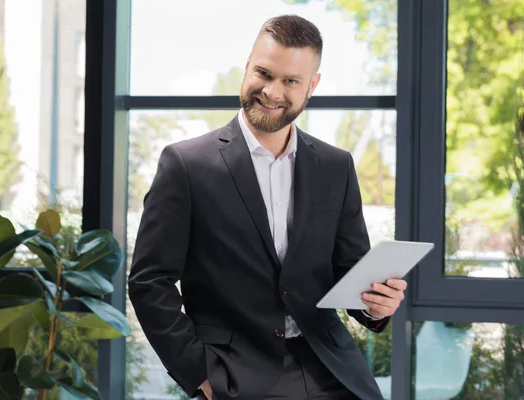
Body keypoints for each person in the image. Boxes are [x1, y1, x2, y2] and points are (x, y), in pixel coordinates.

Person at [128, 14, 407, 400]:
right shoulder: (186, 165)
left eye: (290, 81)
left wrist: (377, 306)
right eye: (264, 73)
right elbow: (149, 282)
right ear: (247, 67)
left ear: (312, 86)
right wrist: (201, 375)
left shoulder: (335, 166)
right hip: (236, 375)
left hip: (331, 370)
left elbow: (349, 272)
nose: (272, 92)